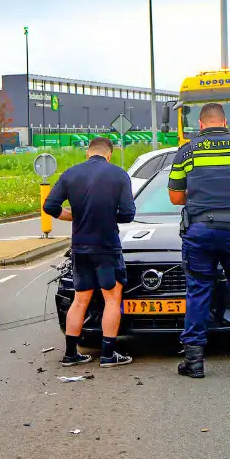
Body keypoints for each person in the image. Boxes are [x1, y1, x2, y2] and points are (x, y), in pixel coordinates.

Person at [168, 103, 230, 378]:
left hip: (200, 232)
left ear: (200, 124)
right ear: (225, 122)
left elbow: (175, 197)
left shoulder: (187, 151)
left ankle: (194, 362)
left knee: (198, 292)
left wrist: (200, 200)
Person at [43, 137, 136, 368]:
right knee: (111, 298)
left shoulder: (70, 174)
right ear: (109, 154)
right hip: (106, 246)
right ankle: (108, 354)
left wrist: (73, 215)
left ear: (88, 152)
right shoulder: (119, 175)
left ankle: (71, 354)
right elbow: (128, 214)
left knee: (80, 299)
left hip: (80, 246)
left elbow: (50, 206)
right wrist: (107, 216)